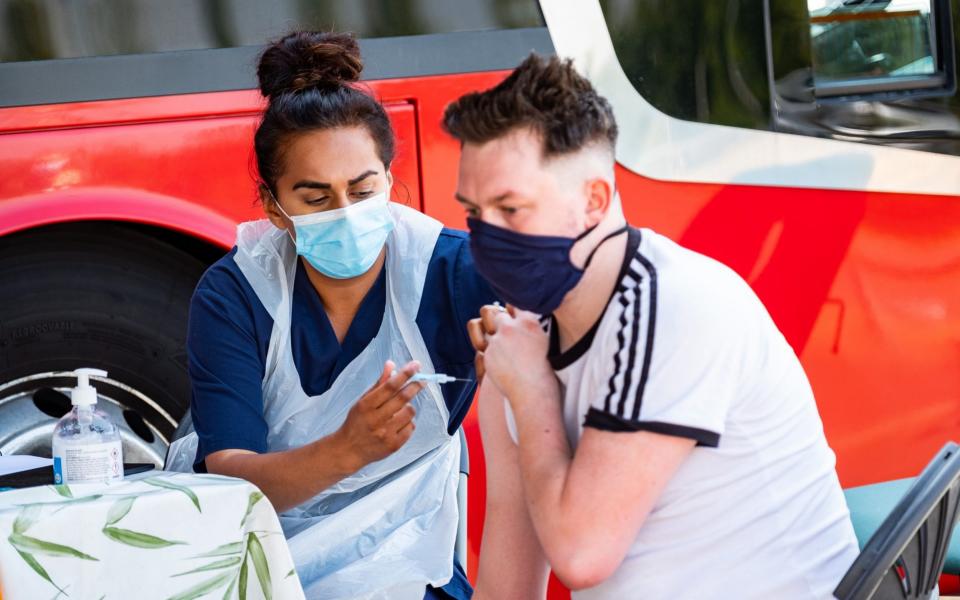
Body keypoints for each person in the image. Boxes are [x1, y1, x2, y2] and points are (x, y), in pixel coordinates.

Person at [443, 55, 860, 599]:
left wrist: (532, 392)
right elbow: (509, 584)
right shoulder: (521, 342)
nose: (485, 238)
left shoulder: (674, 307)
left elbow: (582, 554)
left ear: (592, 201)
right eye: (474, 213)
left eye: (511, 208)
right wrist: (517, 386)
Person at [165, 31, 492, 600]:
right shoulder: (235, 296)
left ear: (390, 180)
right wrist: (348, 450)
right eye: (315, 199)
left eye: (363, 190)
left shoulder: (452, 272)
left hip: (407, 550)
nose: (344, 213)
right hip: (260, 556)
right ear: (274, 206)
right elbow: (230, 476)